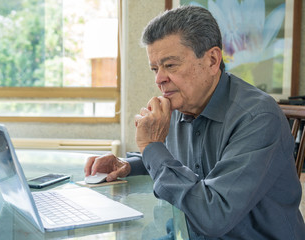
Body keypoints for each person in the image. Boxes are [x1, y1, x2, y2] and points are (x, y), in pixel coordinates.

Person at [84, 5, 305, 239]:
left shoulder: (257, 117)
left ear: (212, 60)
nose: (159, 79)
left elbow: (214, 216)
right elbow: (172, 160)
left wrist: (151, 146)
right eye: (155, 68)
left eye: (170, 65)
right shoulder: (180, 104)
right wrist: (128, 164)